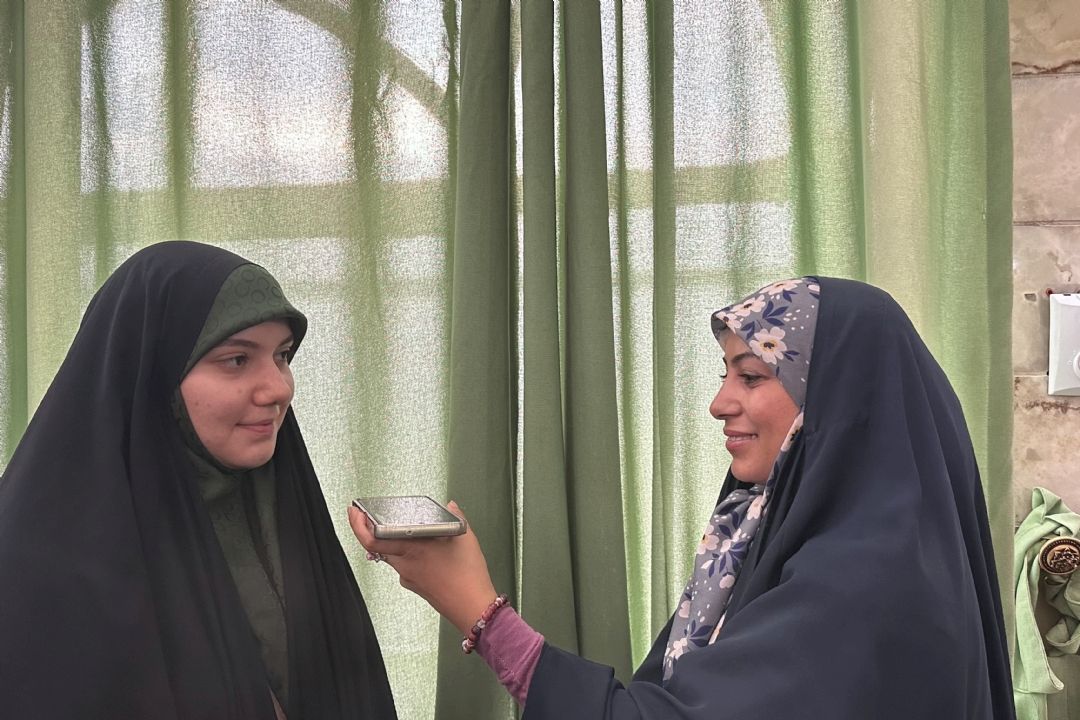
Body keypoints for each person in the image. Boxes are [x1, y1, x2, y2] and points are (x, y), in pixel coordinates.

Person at [350, 276, 1017, 719]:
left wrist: (480, 612)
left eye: (751, 376)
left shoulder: (867, 582)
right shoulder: (791, 539)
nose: (719, 403)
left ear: (840, 401)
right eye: (727, 375)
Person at [0, 241, 397, 719]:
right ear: (155, 373)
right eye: (237, 359)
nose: (278, 388)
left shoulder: (277, 514)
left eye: (283, 355)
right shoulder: (39, 563)